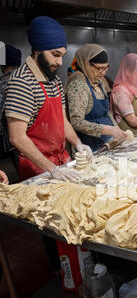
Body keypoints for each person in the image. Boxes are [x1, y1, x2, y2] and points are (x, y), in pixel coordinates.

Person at [5, 16, 92, 182]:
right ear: (38, 50)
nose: (60, 62)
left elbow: (62, 120)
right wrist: (52, 169)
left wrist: (78, 144)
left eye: (62, 55)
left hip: (61, 162)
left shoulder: (54, 79)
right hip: (37, 168)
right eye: (55, 55)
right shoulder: (21, 82)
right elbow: (17, 137)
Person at [65, 44, 127, 151]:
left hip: (106, 143)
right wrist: (108, 130)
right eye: (99, 68)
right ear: (86, 64)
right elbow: (77, 122)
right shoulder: (78, 84)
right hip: (90, 146)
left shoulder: (98, 81)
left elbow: (106, 112)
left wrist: (116, 128)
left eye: (105, 68)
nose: (102, 73)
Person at [0, 44, 22, 156]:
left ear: (3, 66)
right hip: (35, 140)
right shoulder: (29, 81)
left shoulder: (2, 85)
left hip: (13, 144)